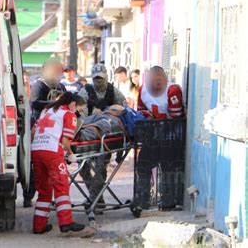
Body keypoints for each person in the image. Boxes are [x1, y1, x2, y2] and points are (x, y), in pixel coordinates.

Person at [31, 92, 86, 234]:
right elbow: (65, 141)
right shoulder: (69, 115)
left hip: (36, 150)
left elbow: (32, 132)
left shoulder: (46, 111)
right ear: (73, 104)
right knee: (61, 187)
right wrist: (71, 155)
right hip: (52, 153)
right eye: (79, 110)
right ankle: (66, 222)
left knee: (44, 190)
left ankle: (39, 226)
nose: (79, 113)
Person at [133, 66, 185, 214]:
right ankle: (142, 200)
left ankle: (168, 200)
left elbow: (177, 114)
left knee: (168, 167)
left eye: (159, 78)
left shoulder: (173, 89)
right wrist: (150, 118)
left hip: (171, 136)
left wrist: (156, 118)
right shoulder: (142, 90)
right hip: (153, 135)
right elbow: (141, 112)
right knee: (143, 165)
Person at [77, 63, 127, 205]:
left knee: (101, 167)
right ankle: (97, 197)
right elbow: (80, 115)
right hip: (89, 134)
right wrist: (92, 115)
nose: (98, 81)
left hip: (107, 137)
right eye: (96, 78)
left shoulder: (113, 92)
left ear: (106, 77)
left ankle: (94, 198)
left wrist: (110, 111)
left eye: (101, 78)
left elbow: (124, 110)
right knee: (82, 166)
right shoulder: (85, 92)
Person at [24, 59, 66, 207]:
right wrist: (54, 103)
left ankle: (51, 196)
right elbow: (34, 102)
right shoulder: (39, 85)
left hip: (55, 129)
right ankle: (28, 195)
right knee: (34, 164)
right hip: (38, 126)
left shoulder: (61, 86)